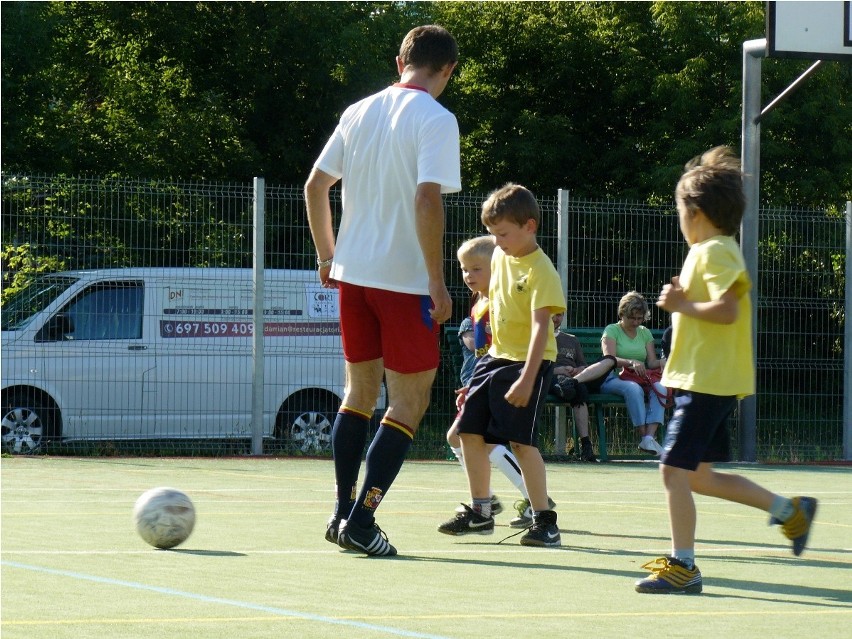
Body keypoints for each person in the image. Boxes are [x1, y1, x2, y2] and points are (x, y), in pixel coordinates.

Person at [304, 25, 460, 557]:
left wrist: (328, 256)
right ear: (448, 70)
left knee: (358, 395)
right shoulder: (437, 119)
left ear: (400, 61)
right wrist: (437, 283)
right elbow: (426, 201)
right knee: (409, 402)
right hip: (404, 282)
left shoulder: (358, 110)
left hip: (354, 276)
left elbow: (315, 186)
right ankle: (363, 522)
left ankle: (341, 512)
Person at [635, 145, 817, 594]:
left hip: (707, 381)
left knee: (672, 472)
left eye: (680, 210)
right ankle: (789, 511)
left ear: (694, 211)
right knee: (698, 475)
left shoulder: (714, 251)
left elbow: (727, 311)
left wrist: (681, 304)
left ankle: (684, 567)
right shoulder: (711, 250)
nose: (679, 219)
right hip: (702, 379)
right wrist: (683, 304)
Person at [437, 183, 566, 547]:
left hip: (529, 362)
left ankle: (545, 521)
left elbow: (542, 327)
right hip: (495, 360)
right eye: (493, 234)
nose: (497, 240)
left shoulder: (541, 270)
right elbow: (495, 315)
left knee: (521, 443)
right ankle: (481, 512)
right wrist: (477, 380)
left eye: (503, 233)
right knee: (467, 432)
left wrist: (527, 378)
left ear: (530, 226)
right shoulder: (502, 258)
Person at [447, 236, 540, 528]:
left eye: (476, 269)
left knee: (490, 440)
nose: (468, 276)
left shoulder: (506, 298)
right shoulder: (479, 303)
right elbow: (483, 352)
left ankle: (535, 500)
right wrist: (473, 383)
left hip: (508, 375)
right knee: (457, 437)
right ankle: (486, 498)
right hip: (485, 378)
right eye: (464, 269)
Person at [599, 291, 667, 455]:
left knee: (662, 388)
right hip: (612, 379)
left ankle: (648, 439)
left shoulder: (645, 333)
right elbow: (610, 359)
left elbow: (651, 363)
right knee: (633, 389)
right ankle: (645, 437)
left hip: (641, 378)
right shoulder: (612, 330)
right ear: (622, 314)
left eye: (639, 318)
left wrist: (663, 362)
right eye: (632, 318)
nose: (636, 322)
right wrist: (631, 362)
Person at [549, 312, 616, 463]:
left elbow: (583, 365)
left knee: (583, 387)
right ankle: (563, 386)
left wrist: (578, 370)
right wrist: (558, 370)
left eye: (559, 315)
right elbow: (533, 367)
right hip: (548, 378)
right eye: (552, 314)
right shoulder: (538, 337)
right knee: (562, 384)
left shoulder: (572, 340)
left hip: (575, 380)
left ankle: (586, 447)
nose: (556, 318)